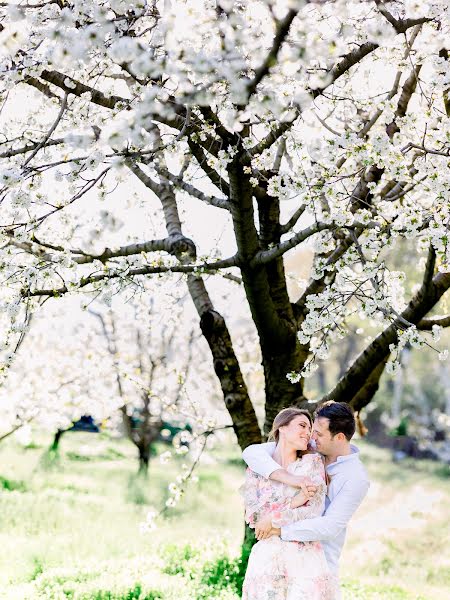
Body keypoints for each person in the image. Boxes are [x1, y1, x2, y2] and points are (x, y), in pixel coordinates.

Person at [242, 401, 370, 599]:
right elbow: (252, 452)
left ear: (339, 437)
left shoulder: (356, 478)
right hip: (274, 551)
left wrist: (276, 527)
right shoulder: (310, 447)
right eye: (311, 429)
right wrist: (291, 479)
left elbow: (329, 526)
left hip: (319, 556)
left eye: (318, 433)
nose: (312, 436)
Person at [241, 407, 336, 599]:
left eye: (309, 428)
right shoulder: (257, 468)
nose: (307, 432)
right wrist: (295, 502)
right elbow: (255, 517)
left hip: (304, 556)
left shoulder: (312, 464)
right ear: (281, 428)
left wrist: (272, 517)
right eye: (302, 425)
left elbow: (312, 512)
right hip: (267, 556)